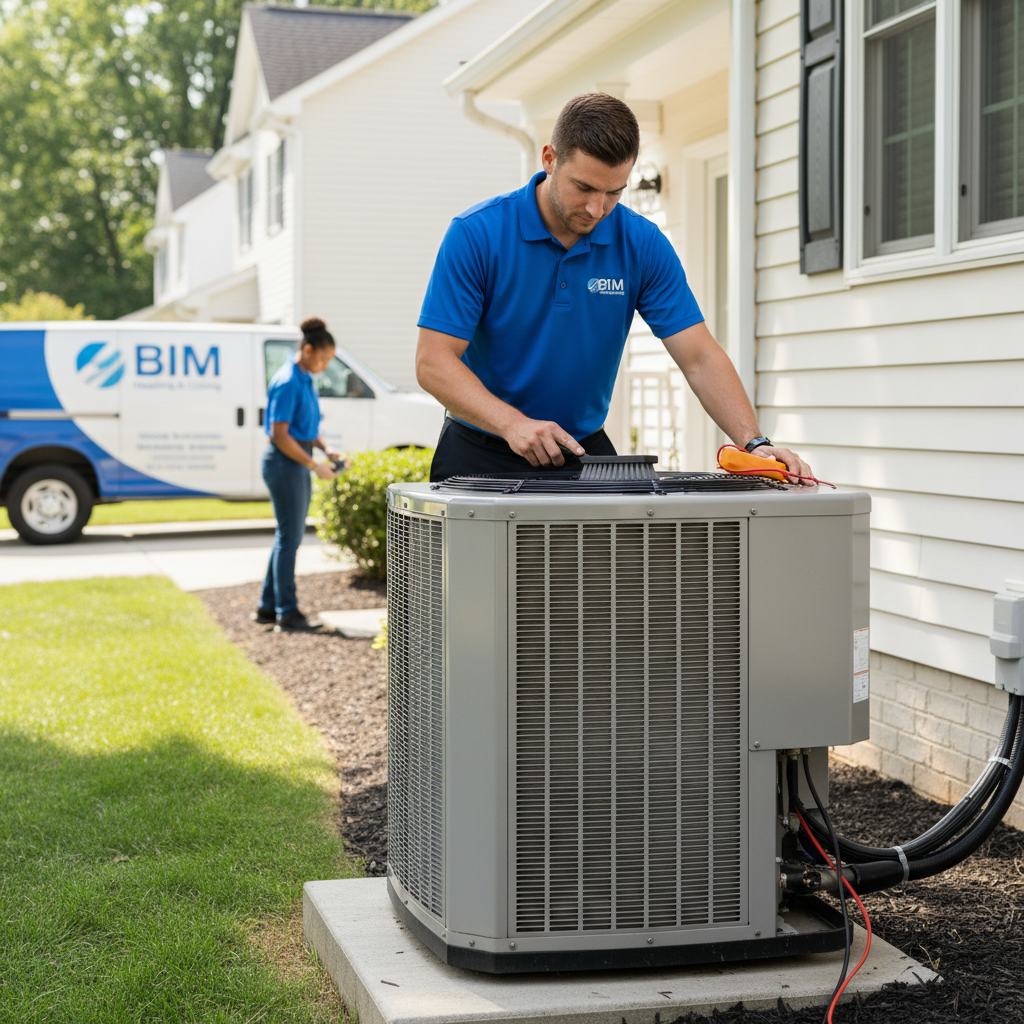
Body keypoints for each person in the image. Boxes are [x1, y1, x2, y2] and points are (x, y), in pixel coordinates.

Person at [415, 92, 812, 483]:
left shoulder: (641, 243)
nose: (596, 209)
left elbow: (699, 357)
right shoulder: (477, 234)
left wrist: (754, 442)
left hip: (580, 453)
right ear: (550, 158)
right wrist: (512, 424)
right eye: (584, 188)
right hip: (479, 449)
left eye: (614, 192)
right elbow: (433, 362)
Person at [254, 317, 340, 631]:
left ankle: (267, 607)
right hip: (283, 463)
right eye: (323, 358)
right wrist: (313, 465)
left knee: (286, 536)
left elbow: (306, 428)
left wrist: (325, 449)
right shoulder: (288, 380)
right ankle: (287, 613)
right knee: (289, 538)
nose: (325, 365)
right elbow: (280, 434)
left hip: (295, 459)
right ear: (307, 349)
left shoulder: (304, 377)